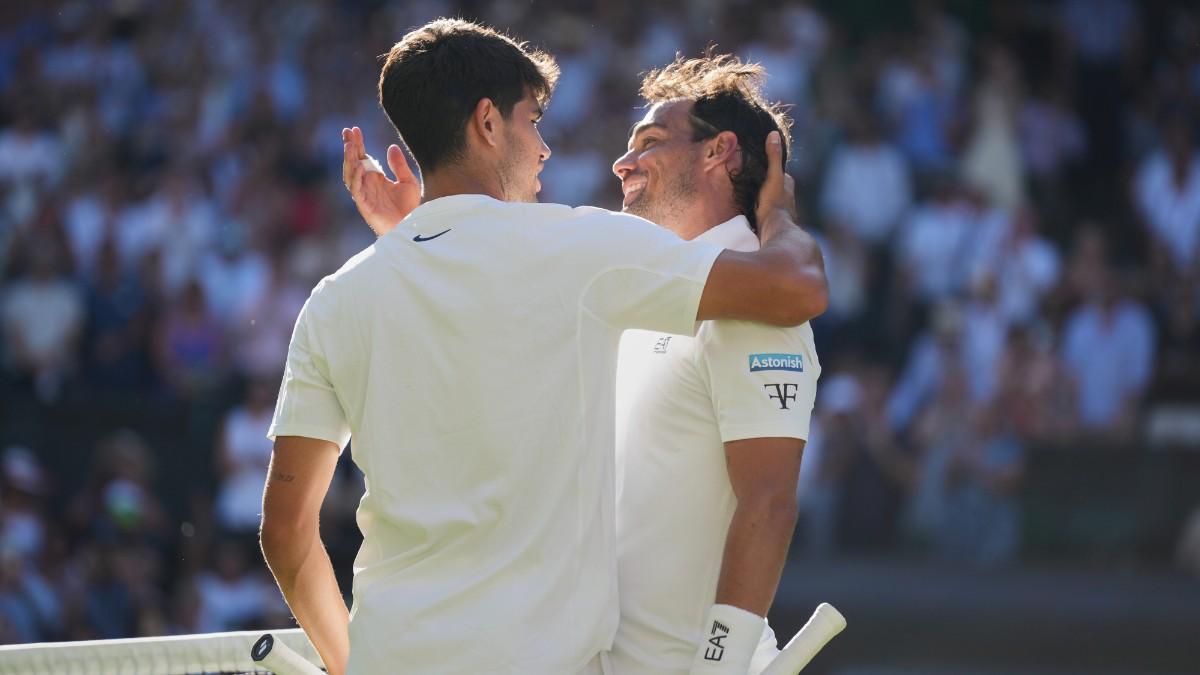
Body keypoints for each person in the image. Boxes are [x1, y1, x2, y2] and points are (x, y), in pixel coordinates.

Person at [261, 19, 827, 675]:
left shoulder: (338, 296)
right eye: (532, 120)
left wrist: (350, 663)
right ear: (488, 124)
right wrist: (778, 210)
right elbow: (796, 286)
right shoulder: (585, 257)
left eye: (647, 141)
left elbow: (284, 532)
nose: (547, 148)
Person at [608, 55, 821, 674]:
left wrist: (718, 667)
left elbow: (770, 501)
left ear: (719, 152)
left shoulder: (756, 300)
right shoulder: (657, 290)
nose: (623, 163)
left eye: (649, 143)